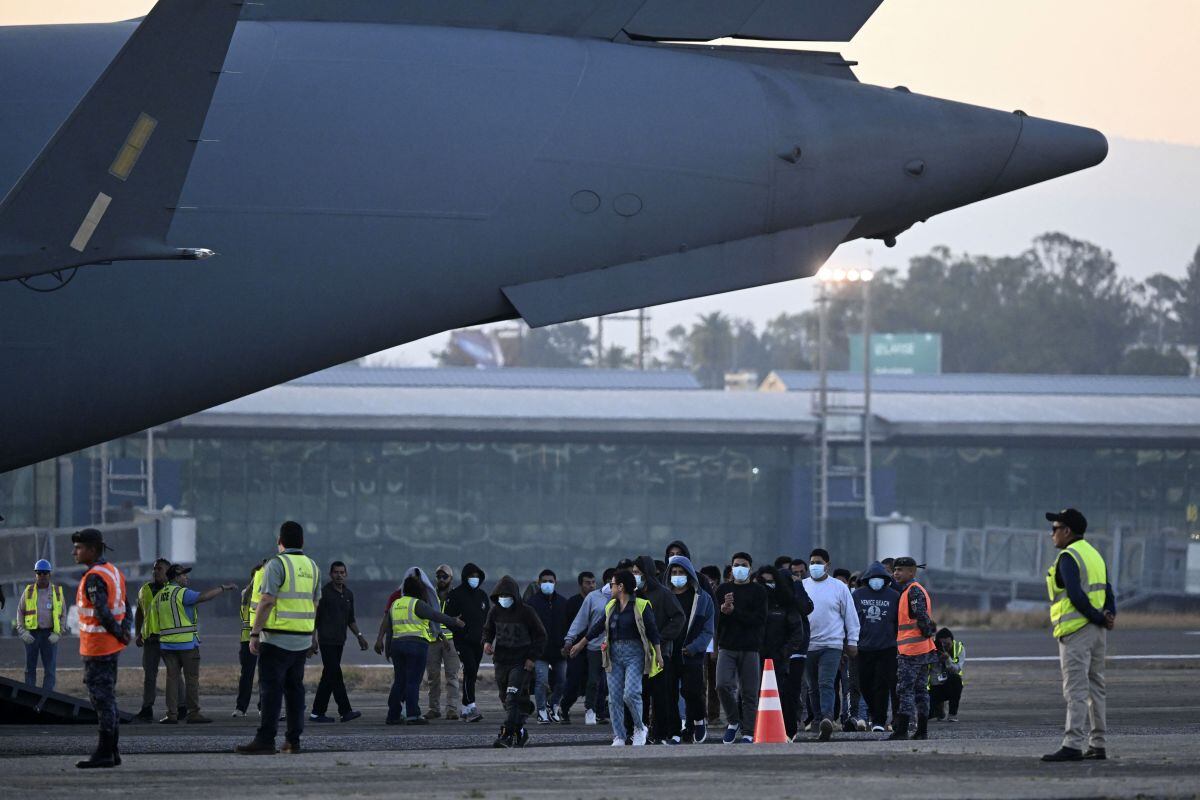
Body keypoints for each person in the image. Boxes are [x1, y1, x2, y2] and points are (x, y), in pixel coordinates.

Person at [236, 521, 320, 755]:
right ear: (302, 541)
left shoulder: (276, 564)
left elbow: (267, 600)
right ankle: (293, 741)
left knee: (271, 690)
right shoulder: (312, 566)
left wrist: (254, 633)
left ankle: (265, 740)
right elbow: (315, 604)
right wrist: (313, 636)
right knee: (295, 690)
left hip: (277, 638)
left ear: (279, 542)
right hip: (301, 639)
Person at [1041, 508, 1115, 763]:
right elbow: (1109, 591)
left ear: (1067, 531)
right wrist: (1108, 616)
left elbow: (1074, 594)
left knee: (1075, 689)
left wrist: (1095, 616)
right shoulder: (1095, 555)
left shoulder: (1068, 556)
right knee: (1097, 688)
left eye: (1055, 528)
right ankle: (1098, 744)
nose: (1052, 534)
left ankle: (1072, 744)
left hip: (1076, 631)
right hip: (1098, 632)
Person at [571, 569, 662, 747]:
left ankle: (640, 728)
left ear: (621, 587)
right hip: (613, 654)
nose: (610, 587)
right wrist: (580, 644)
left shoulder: (642, 605)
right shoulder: (610, 606)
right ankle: (619, 735)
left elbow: (652, 631)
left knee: (631, 693)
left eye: (612, 584)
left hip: (635, 654)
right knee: (614, 698)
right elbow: (597, 628)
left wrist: (658, 654)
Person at [72, 528, 132, 769]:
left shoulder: (95, 577)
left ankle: (105, 752)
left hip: (98, 648)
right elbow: (126, 605)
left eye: (79, 547)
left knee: (102, 700)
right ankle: (112, 752)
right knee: (108, 698)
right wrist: (124, 632)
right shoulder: (113, 572)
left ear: (93, 549)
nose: (74, 551)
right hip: (110, 646)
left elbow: (102, 612)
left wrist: (119, 633)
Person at [376, 573, 465, 725]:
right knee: (412, 681)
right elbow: (435, 615)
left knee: (399, 681)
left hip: (397, 646)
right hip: (416, 645)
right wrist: (454, 621)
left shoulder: (395, 604)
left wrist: (388, 646)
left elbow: (389, 628)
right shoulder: (417, 604)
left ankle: (393, 714)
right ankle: (413, 715)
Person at [154, 564, 237, 724]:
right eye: (184, 575)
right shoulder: (181, 593)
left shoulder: (160, 595)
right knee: (191, 679)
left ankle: (171, 714)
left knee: (172, 680)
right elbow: (204, 597)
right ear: (176, 577)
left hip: (166, 645)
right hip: (186, 644)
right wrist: (222, 588)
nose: (187, 577)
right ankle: (193, 713)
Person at [801, 548, 860, 742]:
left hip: (832, 645)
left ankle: (827, 717)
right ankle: (818, 719)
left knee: (826, 683)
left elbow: (850, 616)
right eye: (812, 562)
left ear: (827, 565)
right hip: (808, 645)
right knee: (812, 686)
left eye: (818, 562)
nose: (814, 566)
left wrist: (852, 641)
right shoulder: (802, 586)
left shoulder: (839, 587)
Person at [484, 575, 547, 748]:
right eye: (501, 595)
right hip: (501, 661)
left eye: (507, 595)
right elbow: (488, 630)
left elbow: (541, 636)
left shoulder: (527, 612)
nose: (504, 599)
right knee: (506, 699)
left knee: (512, 697)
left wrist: (531, 658)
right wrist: (487, 642)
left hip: (521, 662)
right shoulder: (495, 611)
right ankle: (520, 730)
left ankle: (506, 734)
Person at [714, 552, 768, 744]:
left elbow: (759, 620)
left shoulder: (759, 591)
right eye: (736, 565)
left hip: (750, 647)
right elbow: (716, 621)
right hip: (727, 646)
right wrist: (723, 612)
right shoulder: (723, 590)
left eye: (743, 565)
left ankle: (748, 731)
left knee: (749, 693)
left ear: (750, 568)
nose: (739, 568)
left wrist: (734, 612)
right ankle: (733, 720)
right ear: (731, 567)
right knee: (721, 685)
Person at [632, 554, 684, 743]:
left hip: (660, 653)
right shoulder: (633, 594)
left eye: (638, 572)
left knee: (662, 695)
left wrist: (660, 638)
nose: (635, 575)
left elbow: (678, 617)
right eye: (633, 572)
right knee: (640, 695)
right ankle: (641, 731)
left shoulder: (663, 593)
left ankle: (663, 733)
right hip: (637, 654)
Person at [309, 561, 367, 724]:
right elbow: (315, 619)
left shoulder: (348, 594)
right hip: (326, 641)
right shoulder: (324, 593)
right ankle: (345, 711)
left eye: (342, 572)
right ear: (330, 574)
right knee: (336, 674)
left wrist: (359, 636)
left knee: (328, 676)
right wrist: (312, 640)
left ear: (346, 574)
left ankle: (317, 712)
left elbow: (351, 619)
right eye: (336, 572)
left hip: (340, 641)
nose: (339, 575)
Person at [666, 554, 715, 743]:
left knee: (692, 691)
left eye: (681, 572)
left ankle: (697, 721)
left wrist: (695, 647)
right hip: (669, 653)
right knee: (669, 693)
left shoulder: (703, 599)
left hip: (692, 654)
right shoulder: (665, 597)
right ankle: (676, 731)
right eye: (674, 572)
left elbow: (707, 629)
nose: (677, 576)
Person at [889, 556, 938, 741]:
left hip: (911, 651)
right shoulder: (914, 590)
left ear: (912, 572)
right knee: (920, 691)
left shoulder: (912, 591)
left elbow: (922, 616)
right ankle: (922, 730)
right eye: (895, 570)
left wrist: (926, 632)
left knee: (905, 690)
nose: (896, 573)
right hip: (922, 650)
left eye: (900, 570)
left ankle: (902, 730)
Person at [757, 566, 806, 740]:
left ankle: (788, 731)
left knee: (785, 695)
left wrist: (784, 652)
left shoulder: (786, 603)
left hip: (780, 659)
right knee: (753, 694)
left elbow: (796, 633)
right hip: (756, 657)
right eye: (763, 581)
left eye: (770, 581)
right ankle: (755, 730)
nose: (767, 586)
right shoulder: (755, 604)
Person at [563, 568, 615, 727]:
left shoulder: (624, 597)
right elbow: (581, 620)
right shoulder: (594, 597)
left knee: (611, 683)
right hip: (596, 646)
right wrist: (569, 639)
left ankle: (606, 711)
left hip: (618, 646)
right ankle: (590, 709)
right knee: (593, 680)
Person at [853, 561, 900, 732]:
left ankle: (879, 720)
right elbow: (851, 620)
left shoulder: (894, 596)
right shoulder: (857, 595)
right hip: (863, 647)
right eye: (873, 578)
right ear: (867, 579)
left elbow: (898, 621)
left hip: (887, 648)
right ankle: (874, 714)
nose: (876, 581)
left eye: (880, 578)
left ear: (886, 579)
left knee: (881, 685)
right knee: (865, 684)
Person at [444, 562, 490, 723]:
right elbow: (447, 618)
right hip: (462, 641)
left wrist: (488, 638)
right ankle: (471, 706)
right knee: (469, 668)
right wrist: (458, 627)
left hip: (479, 641)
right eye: (471, 576)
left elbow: (488, 619)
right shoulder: (456, 595)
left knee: (473, 673)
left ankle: (465, 708)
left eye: (477, 577)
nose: (474, 579)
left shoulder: (483, 596)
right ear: (465, 577)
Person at [420, 564, 463, 721]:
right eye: (439, 576)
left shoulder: (457, 595)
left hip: (451, 640)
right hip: (432, 639)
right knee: (433, 677)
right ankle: (434, 708)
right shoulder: (430, 595)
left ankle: (452, 709)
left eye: (445, 576)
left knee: (452, 676)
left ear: (451, 578)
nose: (441, 579)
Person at [18, 558, 66, 694]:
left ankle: (47, 697)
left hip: (49, 635)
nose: (42, 576)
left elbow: (63, 614)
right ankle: (29, 696)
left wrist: (58, 633)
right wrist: (23, 632)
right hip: (31, 635)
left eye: (45, 573)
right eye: (39, 573)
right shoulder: (28, 592)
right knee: (29, 669)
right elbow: (20, 613)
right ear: (35, 574)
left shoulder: (57, 592)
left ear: (49, 574)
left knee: (50, 669)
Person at [528, 568, 569, 724]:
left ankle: (553, 704)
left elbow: (569, 626)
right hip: (540, 652)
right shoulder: (532, 603)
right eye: (544, 581)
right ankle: (542, 710)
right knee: (541, 681)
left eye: (550, 581)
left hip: (559, 651)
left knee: (563, 680)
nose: (547, 584)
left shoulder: (563, 603)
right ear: (539, 583)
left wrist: (567, 645)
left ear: (555, 582)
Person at [132, 558, 170, 722]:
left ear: (167, 573)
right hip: (150, 639)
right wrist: (139, 633)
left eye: (159, 569)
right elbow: (140, 612)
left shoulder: (173, 590)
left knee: (174, 675)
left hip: (169, 639)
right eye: (154, 568)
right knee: (149, 676)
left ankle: (182, 707)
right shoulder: (144, 590)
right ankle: (147, 708)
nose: (155, 571)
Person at [558, 571, 596, 724]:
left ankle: (592, 710)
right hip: (576, 650)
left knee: (594, 681)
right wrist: (565, 645)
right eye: (588, 583)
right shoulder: (572, 603)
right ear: (581, 585)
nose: (591, 586)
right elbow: (565, 626)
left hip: (594, 648)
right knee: (573, 682)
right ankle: (565, 708)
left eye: (593, 582)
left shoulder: (600, 601)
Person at [233, 560, 266, 717]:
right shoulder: (246, 593)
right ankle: (241, 707)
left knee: (265, 675)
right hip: (248, 639)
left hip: (265, 638)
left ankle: (263, 706)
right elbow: (248, 591)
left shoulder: (266, 594)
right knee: (247, 675)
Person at [699, 564, 724, 726]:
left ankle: (714, 715)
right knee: (700, 681)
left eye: (711, 580)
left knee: (715, 681)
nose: (709, 583)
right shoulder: (699, 595)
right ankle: (700, 714)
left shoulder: (721, 596)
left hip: (716, 642)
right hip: (701, 642)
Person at [930, 627, 965, 722]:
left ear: (952, 641)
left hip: (949, 685)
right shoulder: (930, 650)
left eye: (948, 644)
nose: (945, 646)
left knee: (956, 679)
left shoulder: (958, 648)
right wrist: (936, 660)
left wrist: (947, 660)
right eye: (942, 644)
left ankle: (952, 713)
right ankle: (938, 708)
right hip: (933, 687)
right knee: (927, 714)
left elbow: (957, 670)